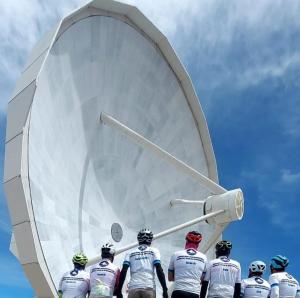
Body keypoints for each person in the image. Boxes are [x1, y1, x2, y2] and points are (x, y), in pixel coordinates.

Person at [115, 228, 168, 298]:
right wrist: (164, 289)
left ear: (138, 239)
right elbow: (159, 269)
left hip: (133, 288)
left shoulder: (130, 253)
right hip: (149, 287)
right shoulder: (154, 251)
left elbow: (124, 271)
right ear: (151, 240)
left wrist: (119, 290)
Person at [168, 231, 207, 298]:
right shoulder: (204, 257)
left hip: (178, 291)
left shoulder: (176, 254)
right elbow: (202, 280)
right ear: (198, 244)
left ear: (186, 241)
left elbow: (170, 278)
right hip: (194, 293)